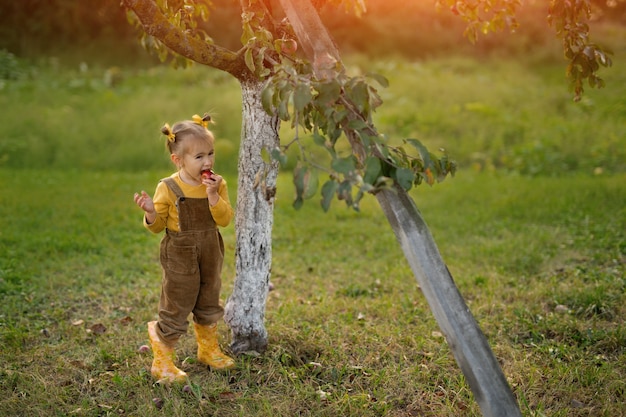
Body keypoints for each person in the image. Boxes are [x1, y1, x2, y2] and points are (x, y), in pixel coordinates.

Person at [133, 113, 235, 383]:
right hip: (180, 251)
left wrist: (213, 195)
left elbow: (224, 220)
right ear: (178, 160)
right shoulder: (168, 187)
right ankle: (162, 361)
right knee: (177, 301)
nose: (208, 161)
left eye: (211, 153)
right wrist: (151, 213)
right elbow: (157, 227)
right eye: (199, 156)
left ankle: (208, 349)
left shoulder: (217, 184)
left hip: (210, 249)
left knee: (209, 296)